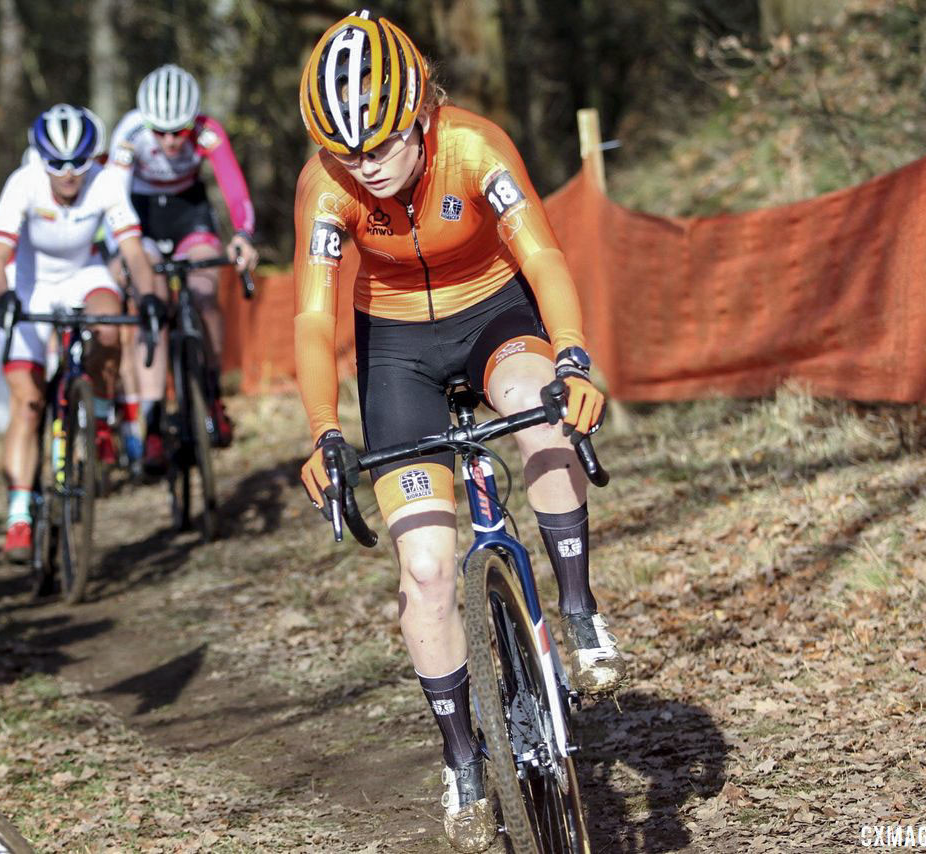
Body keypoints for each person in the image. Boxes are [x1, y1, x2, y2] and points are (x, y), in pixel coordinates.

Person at [293, 13, 624, 852]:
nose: (363, 168)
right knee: (429, 568)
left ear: (420, 117)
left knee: (536, 401)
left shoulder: (475, 147)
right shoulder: (327, 185)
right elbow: (311, 314)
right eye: (345, 152)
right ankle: (463, 763)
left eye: (380, 147)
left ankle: (579, 614)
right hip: (395, 347)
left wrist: (576, 357)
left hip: (492, 312)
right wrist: (324, 430)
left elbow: (543, 256)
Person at [0, 104, 160, 559]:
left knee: (110, 322)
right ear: (39, 157)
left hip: (85, 274)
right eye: (57, 164)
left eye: (78, 163)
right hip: (31, 284)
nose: (68, 174)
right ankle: (20, 515)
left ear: (92, 159)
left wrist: (149, 295)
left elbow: (134, 252)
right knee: (27, 404)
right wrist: (3, 294)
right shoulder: (22, 183)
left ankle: (99, 415)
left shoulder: (104, 183)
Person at [109, 63, 259, 470]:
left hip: (189, 213)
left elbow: (234, 187)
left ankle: (211, 395)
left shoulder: (208, 131)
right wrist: (120, 251)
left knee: (205, 293)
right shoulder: (130, 132)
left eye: (179, 129)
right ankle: (153, 422)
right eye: (161, 131)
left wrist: (243, 234)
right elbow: (113, 197)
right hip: (141, 216)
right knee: (151, 310)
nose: (172, 139)